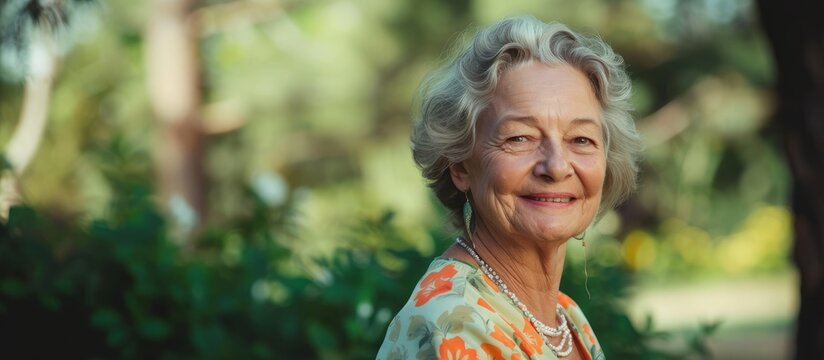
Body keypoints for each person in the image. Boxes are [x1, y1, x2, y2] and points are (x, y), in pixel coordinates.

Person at [377, 15, 640, 360]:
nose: (557, 166)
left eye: (581, 139)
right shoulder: (455, 324)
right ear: (460, 165)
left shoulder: (565, 317)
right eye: (520, 138)